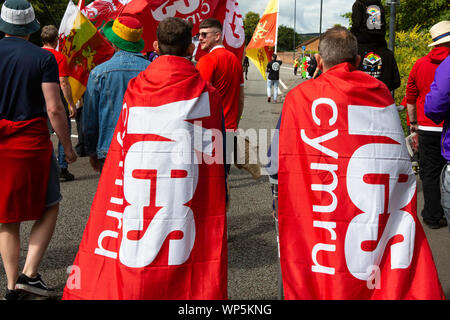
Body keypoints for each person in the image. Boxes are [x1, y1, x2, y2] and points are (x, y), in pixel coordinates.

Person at [63, 17, 227, 300]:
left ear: (155, 45)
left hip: (132, 166)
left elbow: (112, 126)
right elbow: (213, 150)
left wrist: (91, 150)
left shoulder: (135, 85)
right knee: (177, 239)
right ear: (190, 47)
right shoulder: (205, 93)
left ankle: (132, 286)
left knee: (127, 226)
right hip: (179, 175)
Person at [276, 25, 444, 300]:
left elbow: (281, 156)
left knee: (320, 256)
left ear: (319, 61)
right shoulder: (380, 93)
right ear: (356, 61)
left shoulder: (300, 97)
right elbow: (395, 156)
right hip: (371, 197)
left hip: (322, 197)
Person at [0, 0, 76, 300]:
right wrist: (68, 146)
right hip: (30, 141)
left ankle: (9, 285)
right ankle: (29, 274)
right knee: (50, 203)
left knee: (7, 216)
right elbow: (54, 108)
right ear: (30, 28)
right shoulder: (43, 58)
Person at [82, 16, 150, 172]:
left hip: (110, 145)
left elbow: (90, 118)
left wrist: (91, 151)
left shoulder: (99, 73)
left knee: (112, 195)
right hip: (144, 144)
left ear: (113, 42)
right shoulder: (152, 69)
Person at [406, 20, 450, 230]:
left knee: (430, 174)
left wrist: (413, 125)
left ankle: (432, 216)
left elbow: (410, 99)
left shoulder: (420, 64)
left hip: (427, 127)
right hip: (447, 126)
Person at [423, 21, 450, 233]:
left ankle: (432, 216)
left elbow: (433, 106)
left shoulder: (446, 66)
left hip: (430, 130)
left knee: (430, 174)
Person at [41, 25, 77, 181]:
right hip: (54, 96)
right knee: (64, 129)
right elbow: (63, 82)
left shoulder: (36, 54)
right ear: (56, 40)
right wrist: (70, 103)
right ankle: (62, 167)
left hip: (37, 97)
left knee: (43, 132)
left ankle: (44, 167)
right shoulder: (59, 57)